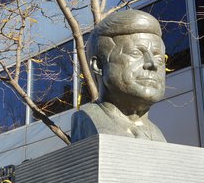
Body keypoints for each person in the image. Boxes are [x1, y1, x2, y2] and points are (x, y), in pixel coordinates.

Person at [71, 10, 166, 143]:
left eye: (159, 58)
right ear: (98, 65)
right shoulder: (88, 121)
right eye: (135, 53)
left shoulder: (158, 135)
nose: (152, 64)